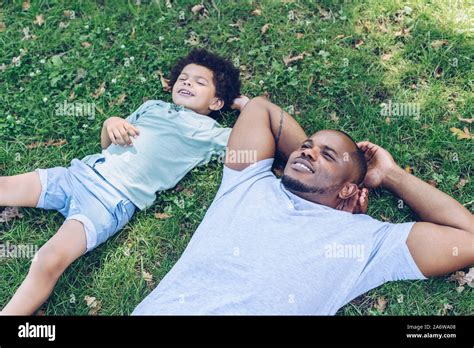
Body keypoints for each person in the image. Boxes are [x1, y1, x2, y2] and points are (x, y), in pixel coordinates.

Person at [133, 96, 473, 315]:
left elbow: (468, 237)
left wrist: (390, 176)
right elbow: (260, 109)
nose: (306, 151)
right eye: (306, 146)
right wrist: (322, 166)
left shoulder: (366, 241)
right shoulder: (246, 183)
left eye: (325, 154)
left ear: (349, 190)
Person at [0, 49, 242, 315]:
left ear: (217, 103)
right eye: (184, 78)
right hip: (77, 175)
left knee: (48, 259)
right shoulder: (153, 106)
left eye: (199, 82)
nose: (187, 83)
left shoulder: (211, 134)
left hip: (108, 203)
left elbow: (252, 141)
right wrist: (110, 123)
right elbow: (110, 142)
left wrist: (245, 107)